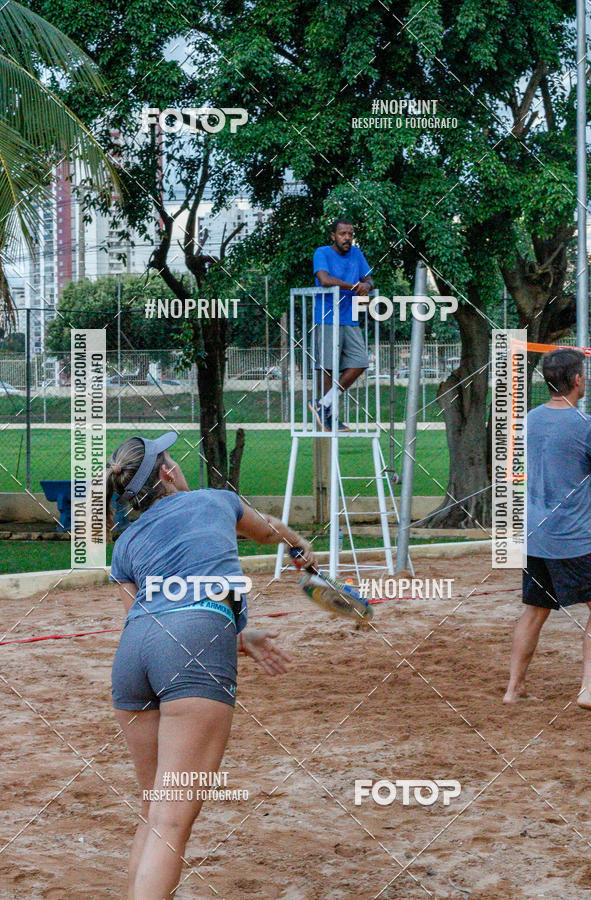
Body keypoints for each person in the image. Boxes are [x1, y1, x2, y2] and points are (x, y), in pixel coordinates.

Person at [106, 432, 316, 898]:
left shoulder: (125, 543)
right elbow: (268, 531)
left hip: (134, 655)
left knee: (154, 809)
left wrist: (236, 634)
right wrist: (299, 545)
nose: (177, 464)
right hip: (191, 645)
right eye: (172, 459)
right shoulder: (212, 500)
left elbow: (150, 616)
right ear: (166, 474)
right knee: (171, 820)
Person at [504, 348, 591, 708]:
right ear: (576, 380)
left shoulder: (530, 419)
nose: (586, 380)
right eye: (584, 375)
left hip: (534, 534)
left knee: (534, 610)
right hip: (572, 537)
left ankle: (514, 689)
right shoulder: (587, 425)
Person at [309, 217, 373, 431]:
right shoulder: (322, 253)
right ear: (333, 236)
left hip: (350, 318)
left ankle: (323, 404)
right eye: (343, 234)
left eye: (350, 234)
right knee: (328, 367)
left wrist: (366, 285)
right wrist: (355, 286)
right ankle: (329, 416)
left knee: (360, 362)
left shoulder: (356, 253)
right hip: (327, 318)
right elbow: (325, 279)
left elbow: (370, 280)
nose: (347, 238)